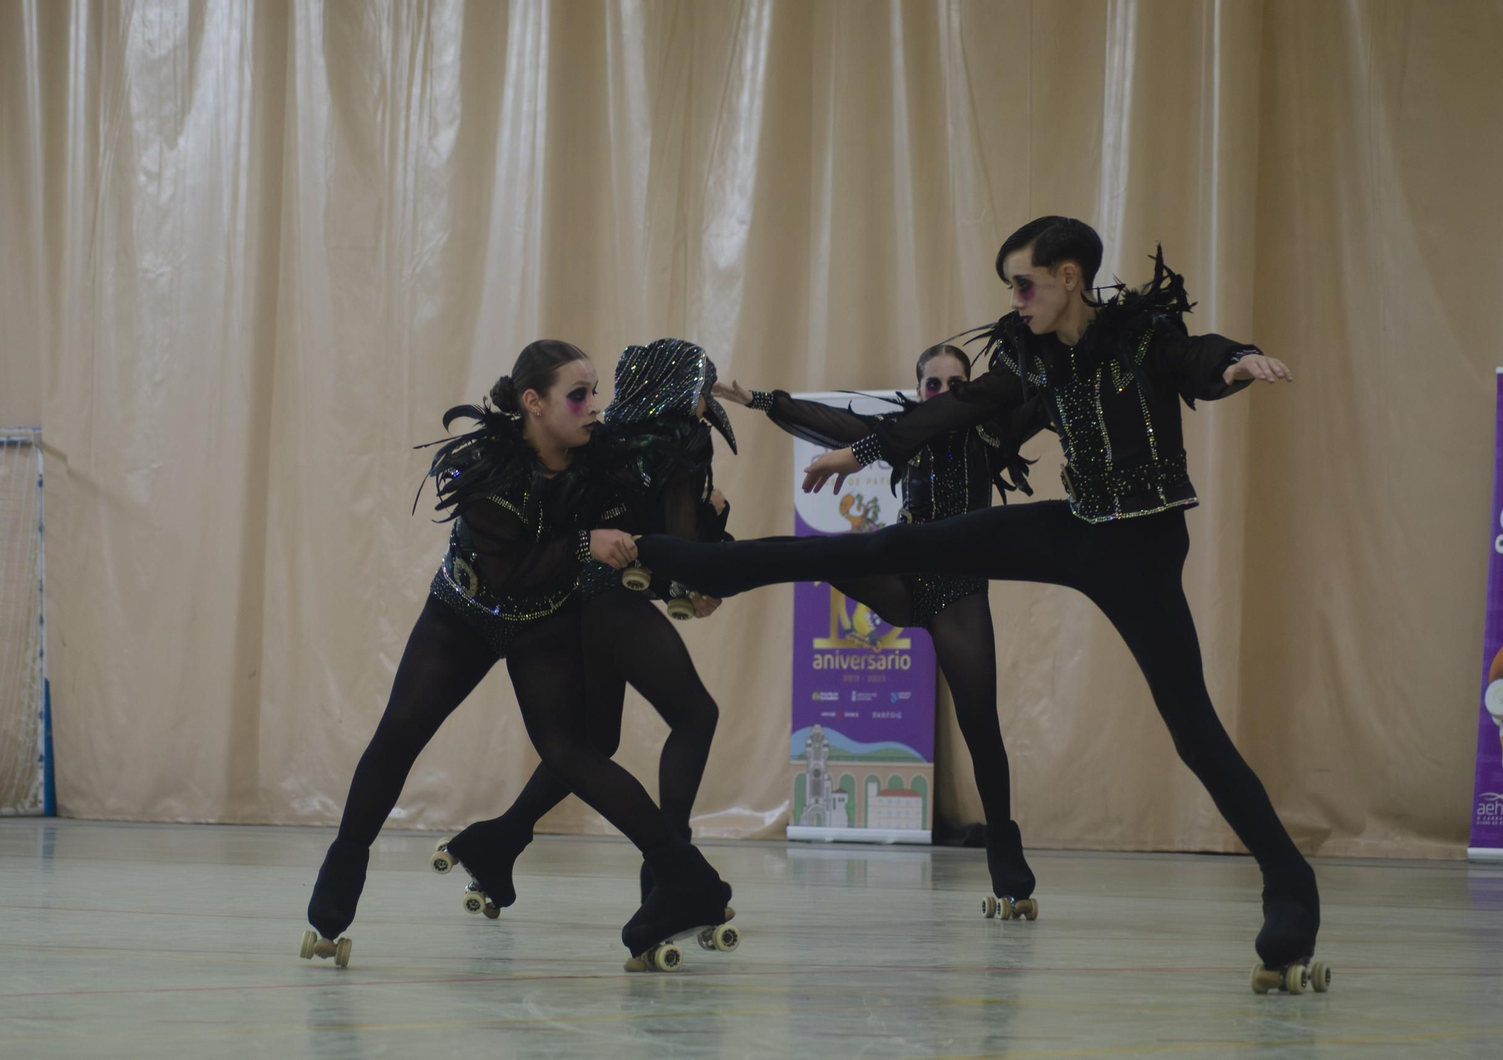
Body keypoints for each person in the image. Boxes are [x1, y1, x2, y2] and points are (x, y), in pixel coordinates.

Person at [635, 217, 1321, 977]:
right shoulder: (1033, 359)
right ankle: (713, 568)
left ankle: (1291, 889)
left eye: (1024, 284)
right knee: (891, 545)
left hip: (1141, 555)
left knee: (1194, 734)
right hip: (1076, 529)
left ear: (1068, 277)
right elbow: (947, 413)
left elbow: (1196, 358)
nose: (1015, 300)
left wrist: (1236, 361)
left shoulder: (1141, 340)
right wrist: (861, 451)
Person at [303, 339, 731, 967]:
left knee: (572, 750)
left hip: (545, 622)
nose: (594, 406)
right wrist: (586, 544)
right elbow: (509, 571)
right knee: (401, 732)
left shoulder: (600, 458)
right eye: (577, 395)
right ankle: (341, 879)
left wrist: (705, 536)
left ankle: (683, 876)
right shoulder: (486, 467)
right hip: (463, 617)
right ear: (533, 402)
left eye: (595, 392)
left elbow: (652, 522)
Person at [712, 347, 1044, 911]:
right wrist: (758, 400)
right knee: (826, 555)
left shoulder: (991, 430)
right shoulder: (902, 432)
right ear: (918, 392)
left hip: (958, 591)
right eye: (933, 384)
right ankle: (719, 570)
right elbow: (831, 424)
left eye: (956, 383)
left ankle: (1006, 861)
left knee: (980, 725)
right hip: (904, 576)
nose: (943, 393)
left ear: (974, 387)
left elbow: (1043, 397)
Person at [436, 339, 735, 912]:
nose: (708, 404)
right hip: (603, 598)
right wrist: (713, 528)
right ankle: (672, 871)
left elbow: (631, 531)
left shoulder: (612, 434)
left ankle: (500, 841)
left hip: (578, 596)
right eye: (703, 389)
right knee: (695, 715)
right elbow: (675, 555)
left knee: (595, 741)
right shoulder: (680, 442)